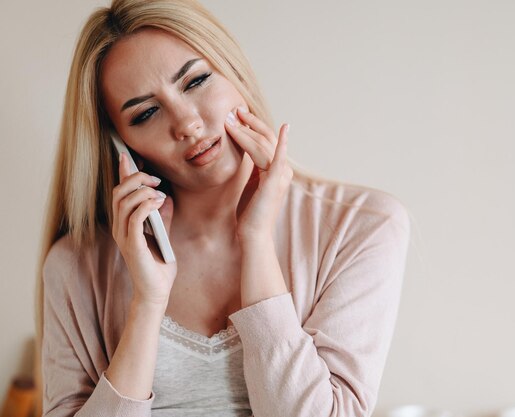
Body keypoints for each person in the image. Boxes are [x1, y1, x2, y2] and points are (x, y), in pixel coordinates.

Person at [34, 0, 411, 416]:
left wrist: (257, 243)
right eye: (146, 113)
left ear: (235, 71)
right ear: (120, 146)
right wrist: (147, 303)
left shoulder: (362, 226)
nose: (187, 124)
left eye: (195, 81)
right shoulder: (75, 265)